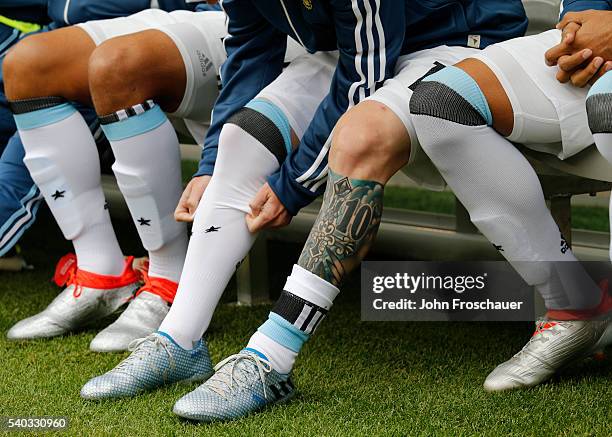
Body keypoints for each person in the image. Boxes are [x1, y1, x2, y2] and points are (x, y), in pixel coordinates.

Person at [78, 0, 528, 423]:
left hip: (460, 43)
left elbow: (362, 82)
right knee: (241, 139)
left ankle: (272, 359)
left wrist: (293, 184)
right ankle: (179, 340)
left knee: (360, 142)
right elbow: (253, 49)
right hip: (370, 47)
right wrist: (212, 163)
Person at [408, 2, 612, 391]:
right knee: (441, 104)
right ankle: (573, 305)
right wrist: (581, 20)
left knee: (609, 108)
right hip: (596, 32)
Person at [3, 4, 230, 351]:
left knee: (117, 66)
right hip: (203, 14)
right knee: (27, 64)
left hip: (260, 27)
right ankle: (101, 271)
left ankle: (170, 277)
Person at [0, 1, 214, 259]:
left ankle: (156, 270)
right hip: (50, 55)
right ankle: (103, 270)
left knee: (13, 177)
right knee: (26, 62)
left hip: (114, 75)